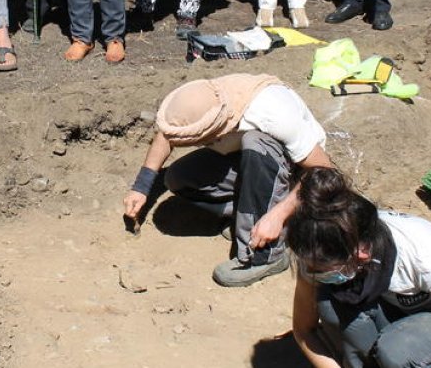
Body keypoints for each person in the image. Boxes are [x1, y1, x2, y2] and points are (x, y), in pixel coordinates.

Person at [287, 167, 431, 368]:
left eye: (322, 269)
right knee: (330, 305)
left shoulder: (427, 259)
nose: (312, 272)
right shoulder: (317, 250)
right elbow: (303, 330)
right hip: (397, 306)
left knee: (395, 353)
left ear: (361, 254)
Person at [122, 74, 332, 287]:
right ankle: (248, 216)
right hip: (247, 158)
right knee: (179, 178)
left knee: (256, 143)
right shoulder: (206, 100)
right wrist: (141, 187)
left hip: (295, 171)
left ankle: (266, 256)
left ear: (216, 129)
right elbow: (166, 136)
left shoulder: (273, 115)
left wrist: (277, 216)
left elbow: (323, 170)